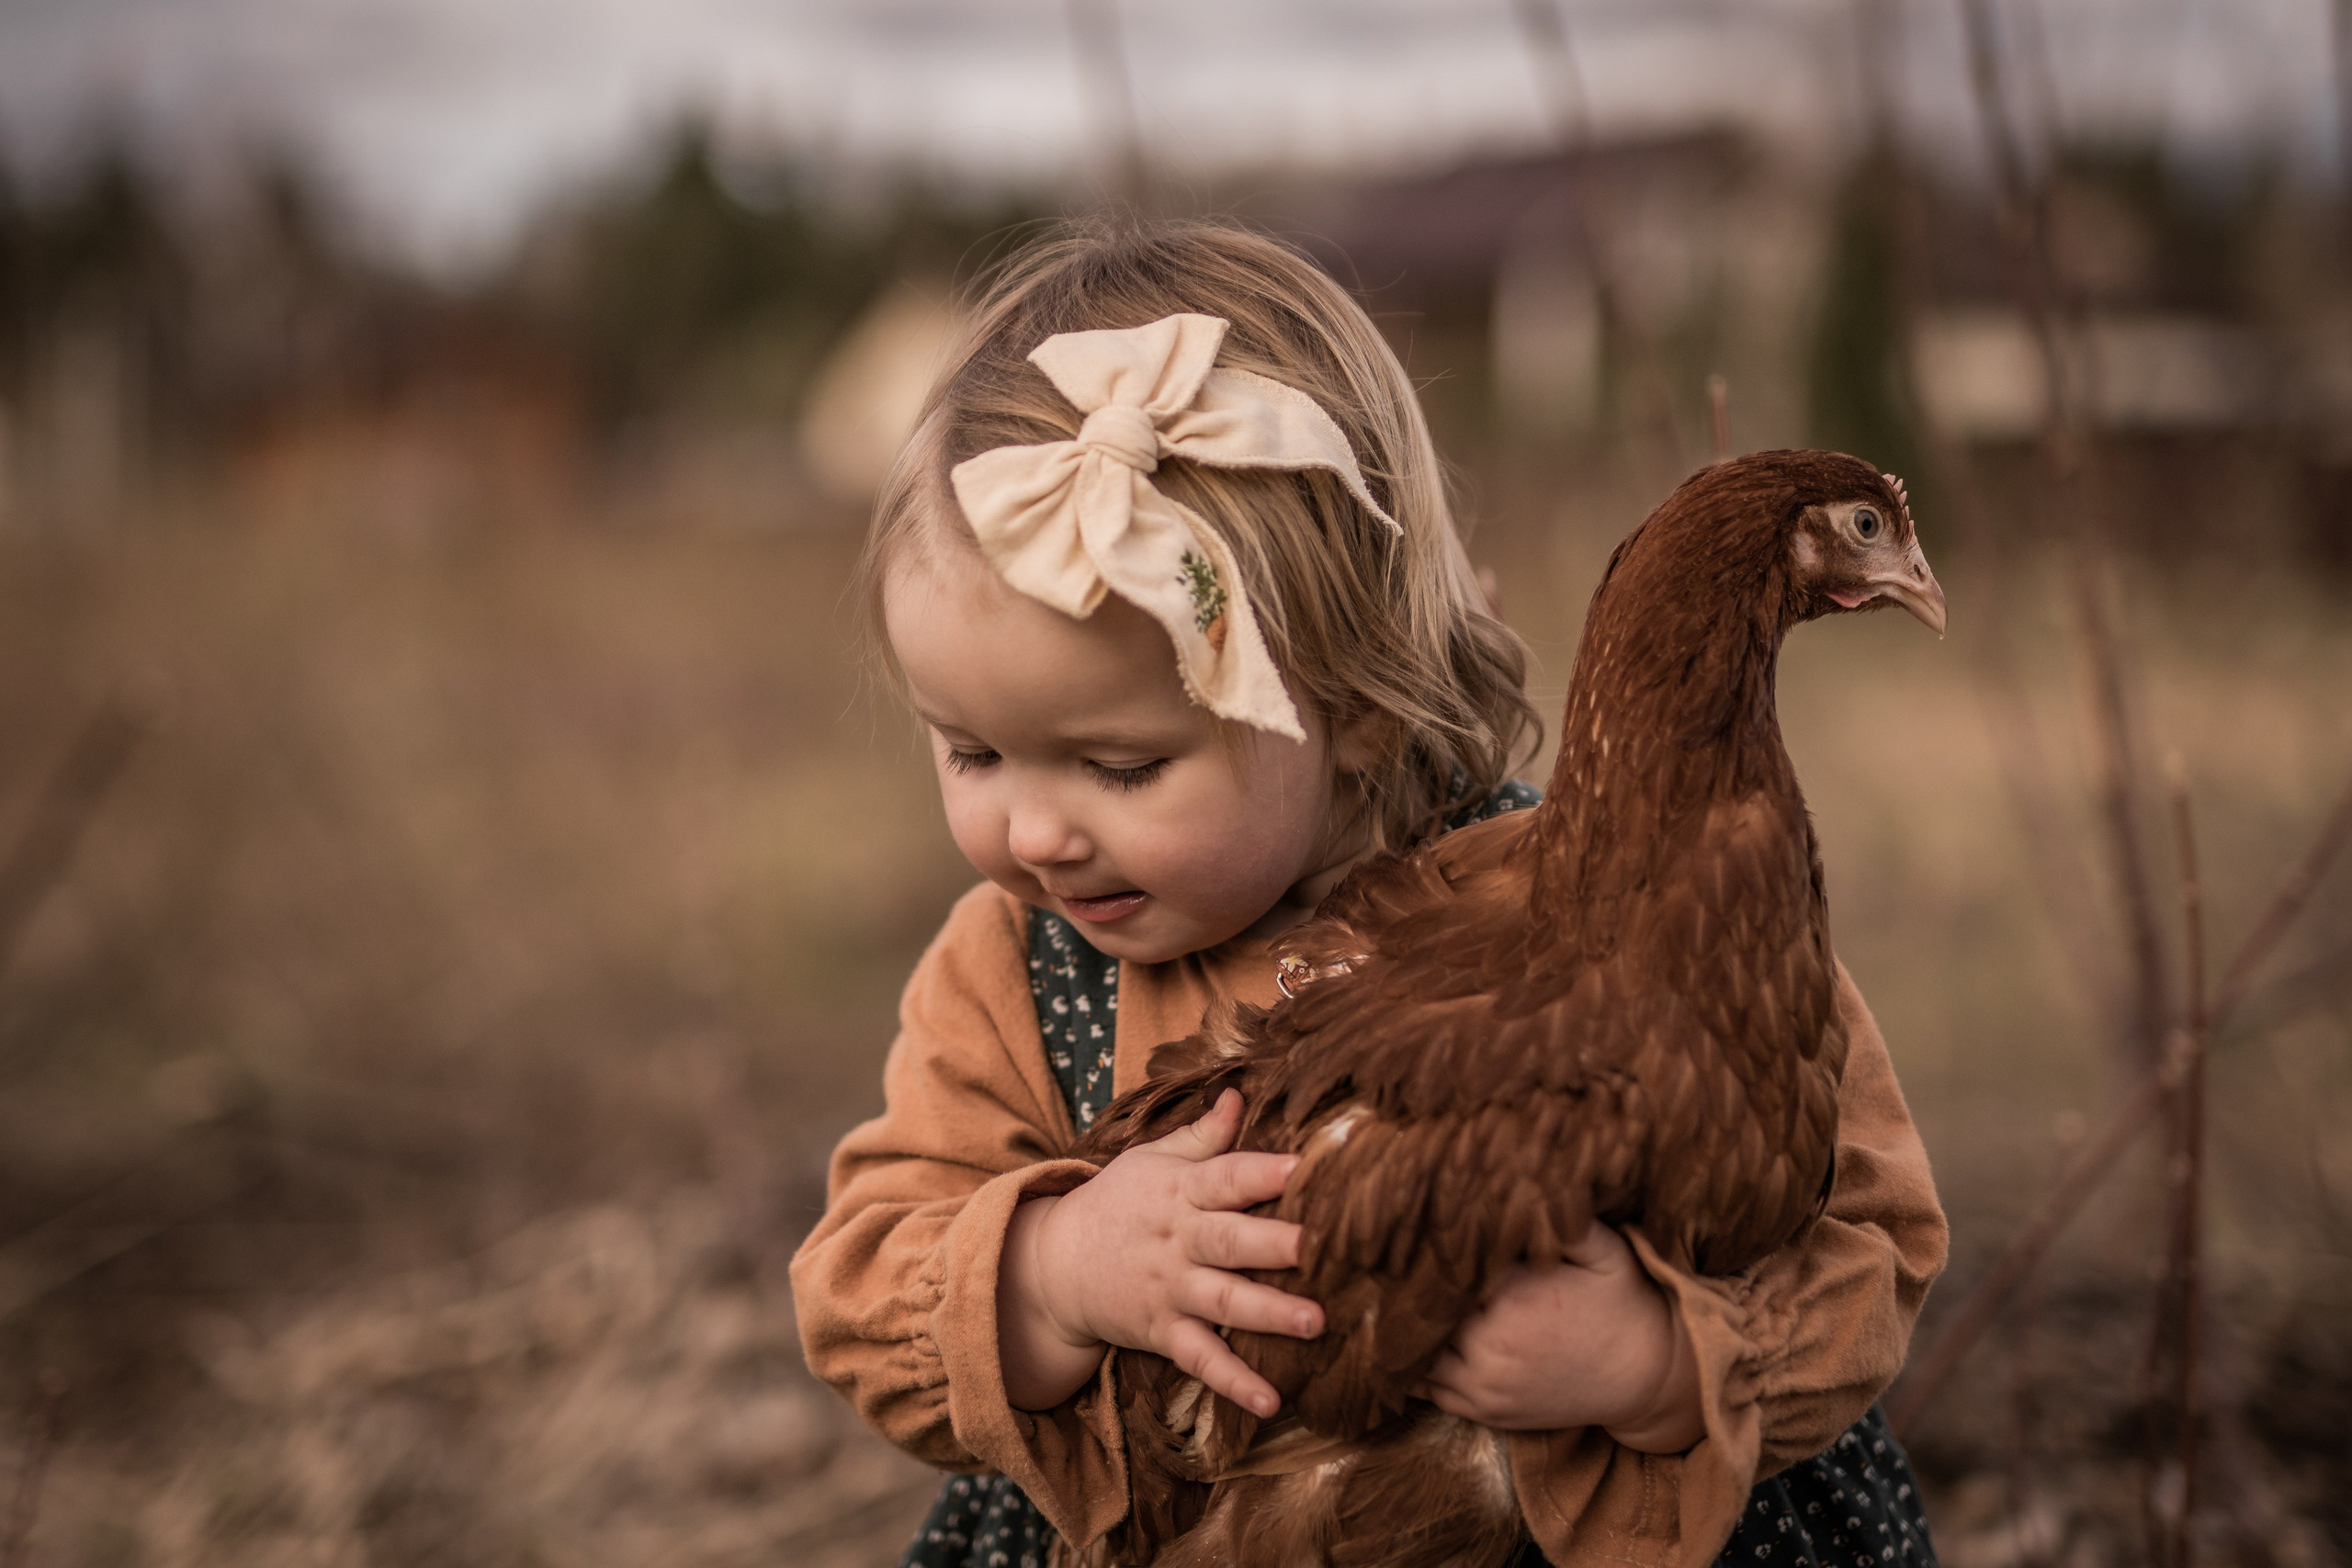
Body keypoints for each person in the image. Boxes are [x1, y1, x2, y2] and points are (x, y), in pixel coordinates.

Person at [790, 218, 1948, 1568]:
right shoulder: (1012, 980)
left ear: (1349, 709)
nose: (1035, 831)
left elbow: (1872, 1238)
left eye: (1120, 764)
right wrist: (1053, 1271)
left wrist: (1658, 1363)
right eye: (972, 752)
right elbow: (859, 1289)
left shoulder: (1625, 897)